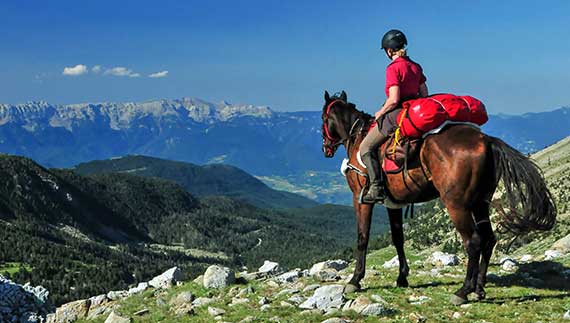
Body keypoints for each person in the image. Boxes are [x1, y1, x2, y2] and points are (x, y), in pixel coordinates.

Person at [360, 29, 429, 204]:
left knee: (365, 147)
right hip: (414, 113)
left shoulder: (393, 68)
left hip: (397, 114)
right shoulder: (416, 66)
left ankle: (376, 188)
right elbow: (424, 94)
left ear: (389, 50)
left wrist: (379, 113)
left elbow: (394, 99)